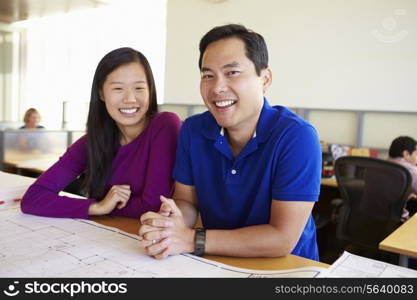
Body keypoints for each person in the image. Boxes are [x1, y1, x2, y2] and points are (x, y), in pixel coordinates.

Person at [138, 24, 322, 260]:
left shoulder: (297, 137)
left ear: (264, 79)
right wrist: (170, 224)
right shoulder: (193, 130)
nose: (218, 87)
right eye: (208, 75)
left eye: (232, 73)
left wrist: (193, 239)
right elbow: (186, 201)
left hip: (285, 269)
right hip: (217, 260)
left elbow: (281, 239)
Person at [21, 47, 182, 219]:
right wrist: (97, 207)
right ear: (101, 93)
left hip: (156, 238)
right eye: (118, 89)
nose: (130, 98)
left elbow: (154, 206)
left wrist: (109, 208)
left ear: (150, 90)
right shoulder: (92, 142)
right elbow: (33, 199)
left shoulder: (165, 125)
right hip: (113, 235)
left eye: (139, 88)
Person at [388, 136, 417, 219]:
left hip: (368, 218)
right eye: (416, 153)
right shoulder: (411, 170)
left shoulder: (378, 166)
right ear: (406, 154)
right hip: (396, 223)